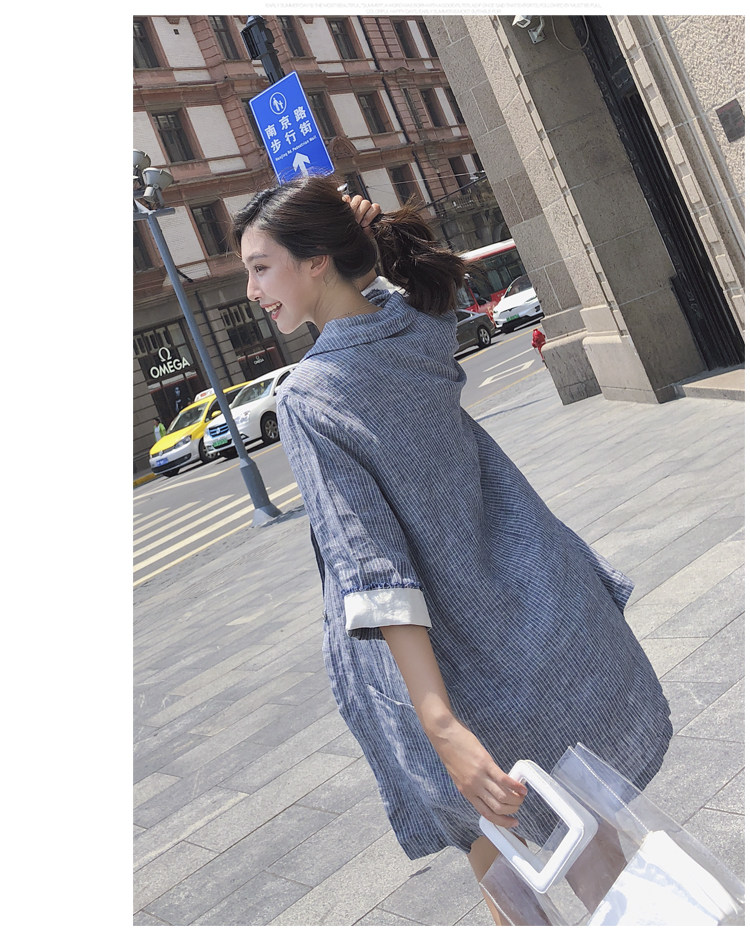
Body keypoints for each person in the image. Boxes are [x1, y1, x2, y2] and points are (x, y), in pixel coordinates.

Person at [231, 177, 672, 924]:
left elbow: (374, 572)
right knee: (588, 832)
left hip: (445, 670)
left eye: (260, 267)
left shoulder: (310, 398)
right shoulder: (414, 330)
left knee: (496, 851)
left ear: (315, 261)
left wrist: (440, 726)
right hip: (530, 610)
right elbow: (408, 295)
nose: (251, 290)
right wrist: (370, 258)